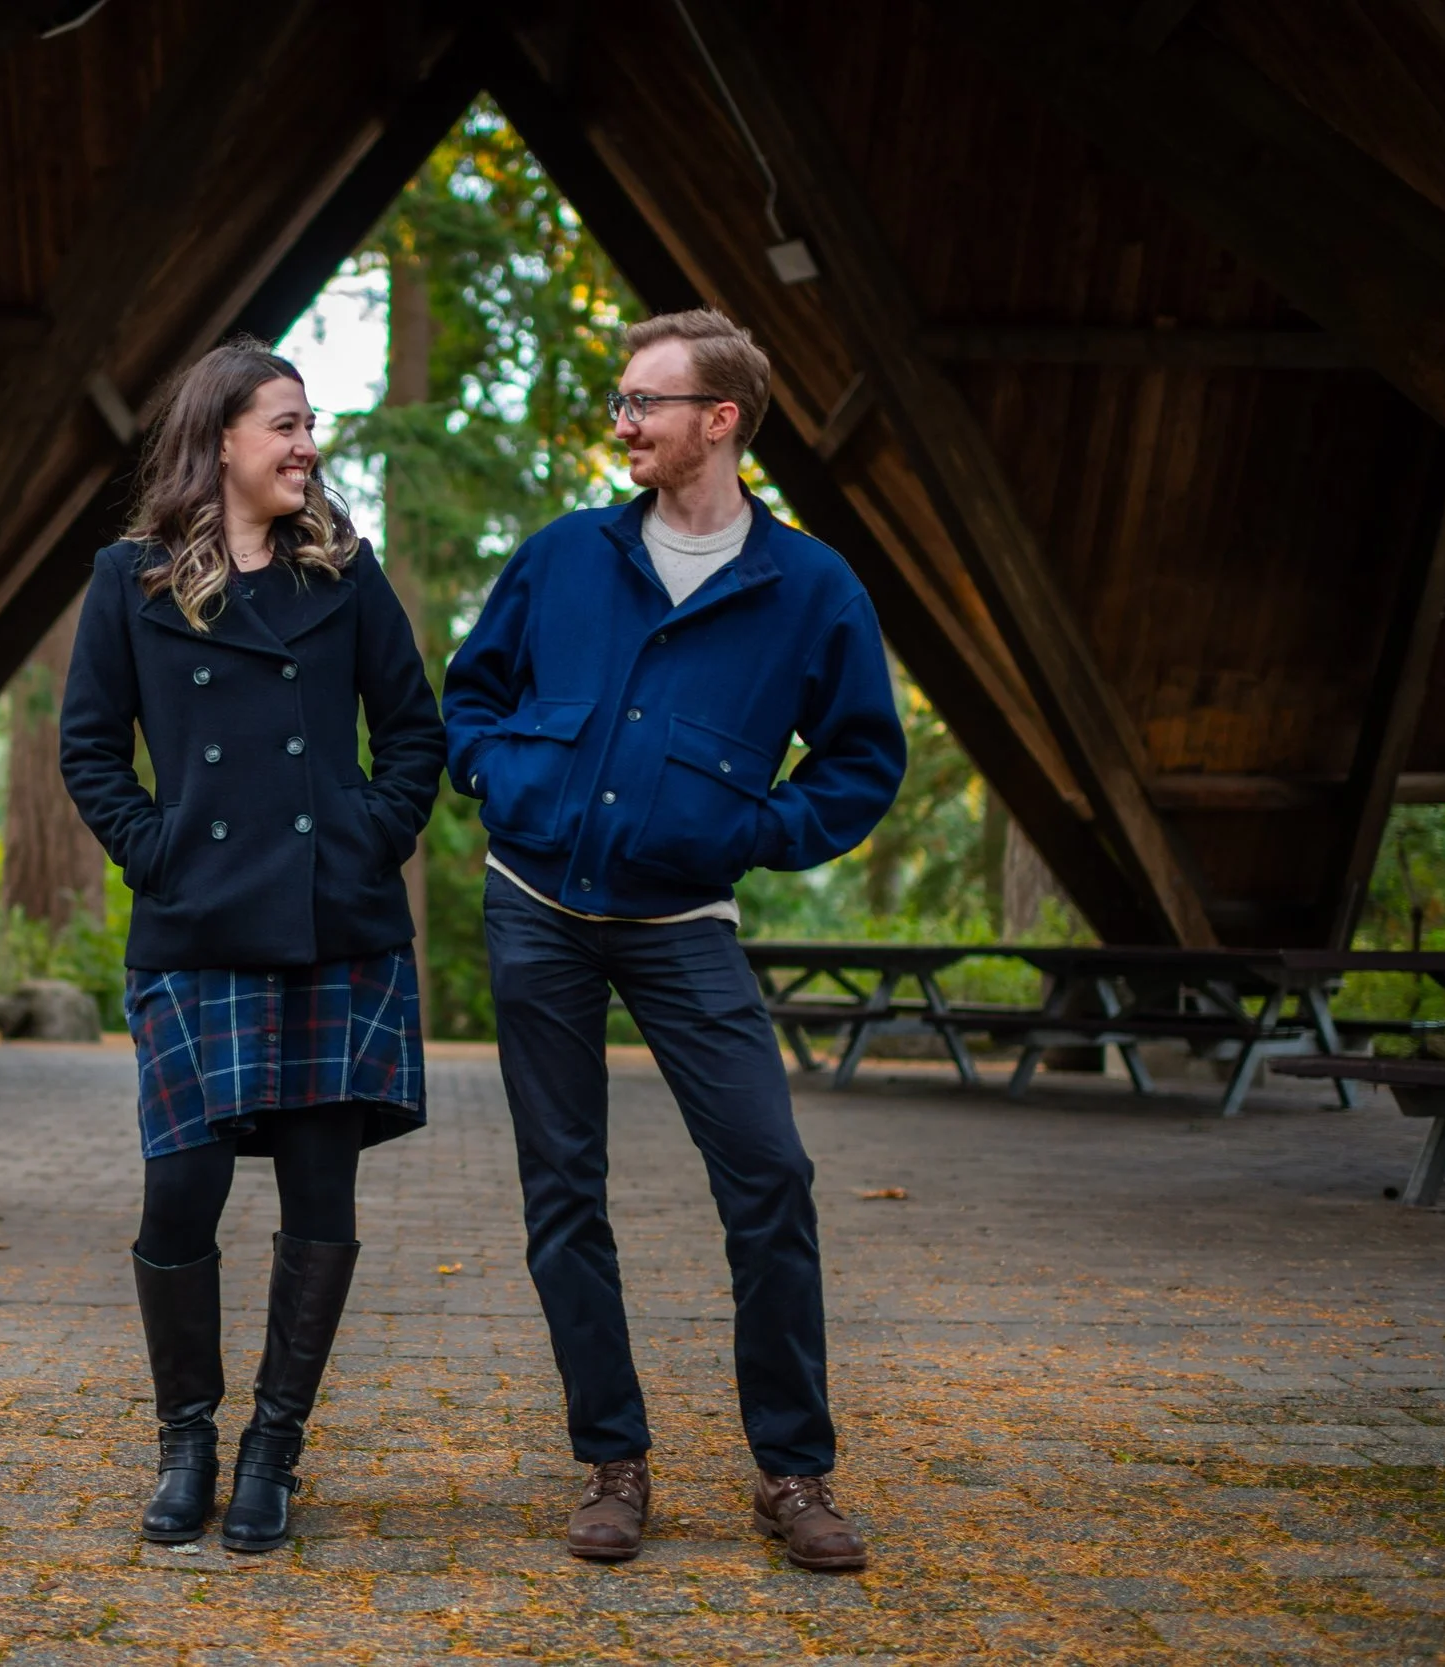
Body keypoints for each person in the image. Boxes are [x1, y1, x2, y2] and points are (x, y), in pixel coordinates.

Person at [442, 309, 905, 1568]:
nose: (622, 421)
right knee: (562, 1191)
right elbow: (471, 691)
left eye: (646, 401)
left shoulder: (810, 586)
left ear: (721, 419)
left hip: (682, 920)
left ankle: (794, 1473)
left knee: (769, 1176)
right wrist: (500, 776)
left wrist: (750, 829)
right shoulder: (563, 555)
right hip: (535, 907)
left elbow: (863, 759)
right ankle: (612, 1459)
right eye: (619, 399)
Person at [61, 337, 445, 1553]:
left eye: (310, 423)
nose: (306, 445)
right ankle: (188, 1440)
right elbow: (88, 749)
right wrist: (160, 851)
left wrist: (364, 838)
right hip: (195, 923)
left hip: (335, 926)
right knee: (182, 1183)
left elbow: (414, 733)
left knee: (320, 1195)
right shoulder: (129, 580)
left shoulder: (343, 571)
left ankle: (274, 1449)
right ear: (219, 436)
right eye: (284, 423)